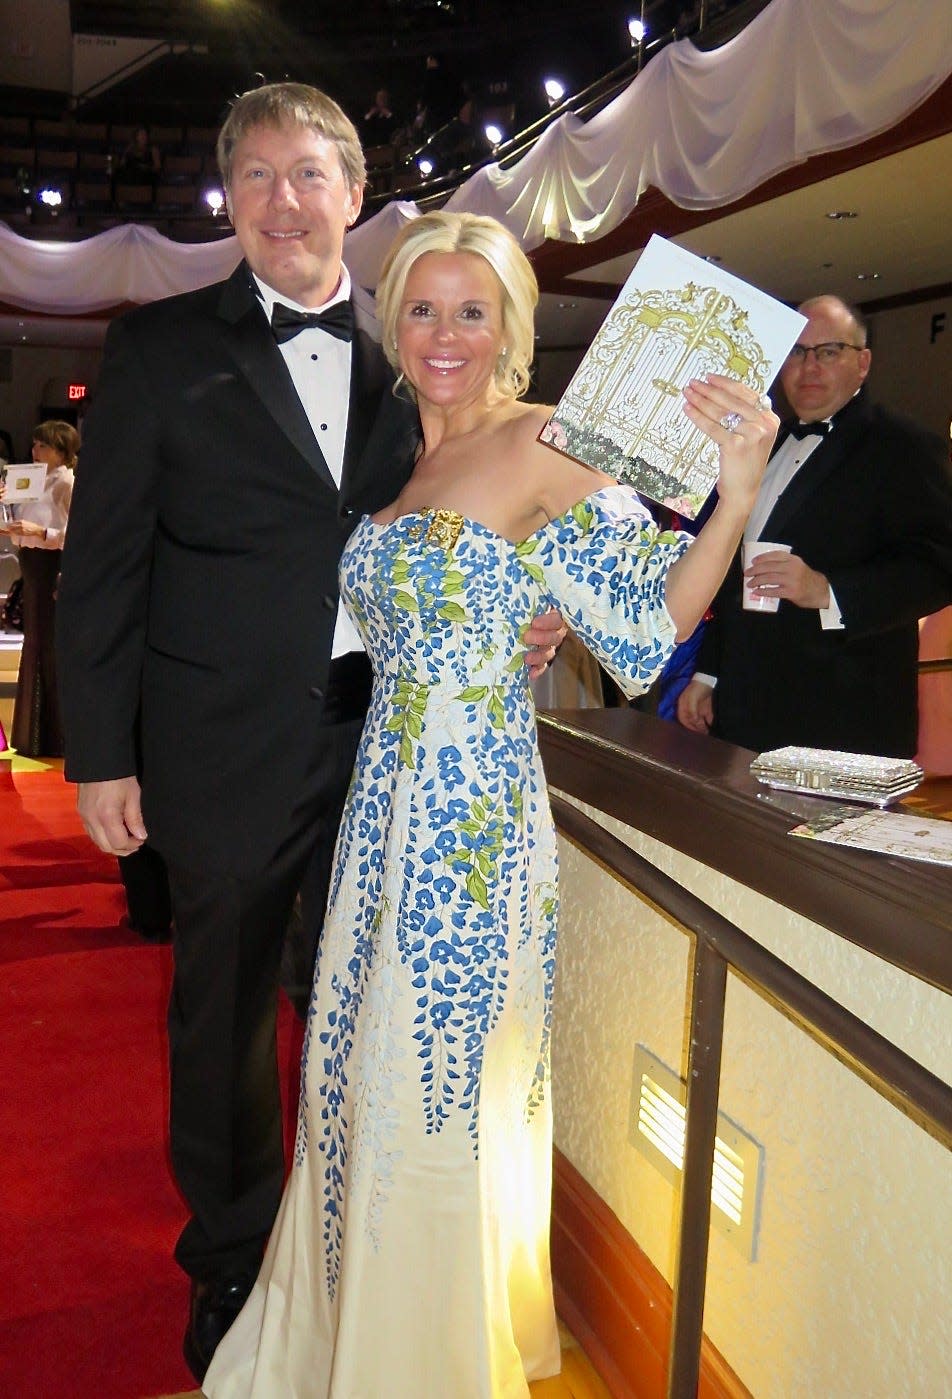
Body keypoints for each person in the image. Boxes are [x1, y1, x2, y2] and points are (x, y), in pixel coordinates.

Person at [202, 209, 778, 1398]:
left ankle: (419, 1359)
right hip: (379, 804)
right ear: (392, 323)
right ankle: (346, 1327)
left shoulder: (548, 442)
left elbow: (648, 623)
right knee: (355, 1065)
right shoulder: (398, 461)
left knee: (434, 1080)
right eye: (423, 307)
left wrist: (732, 492)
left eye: (474, 309)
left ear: (511, 327)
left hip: (470, 819)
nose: (445, 332)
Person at [55, 83, 563, 1384]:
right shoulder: (161, 348)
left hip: (393, 758)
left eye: (313, 172)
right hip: (218, 746)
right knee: (220, 1018)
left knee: (361, 1017)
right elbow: (101, 565)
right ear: (232, 199)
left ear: (356, 193)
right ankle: (232, 1254)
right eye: (260, 175)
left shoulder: (424, 348)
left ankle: (346, 1250)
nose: (288, 199)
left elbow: (499, 513)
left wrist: (538, 612)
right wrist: (102, 751)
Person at [677, 294, 952, 757]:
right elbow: (731, 572)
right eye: (797, 352)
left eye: (828, 352)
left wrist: (827, 590)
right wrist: (709, 674)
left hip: (845, 718)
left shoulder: (903, 446)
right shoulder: (759, 443)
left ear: (862, 364)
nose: (810, 367)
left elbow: (939, 567)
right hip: (746, 709)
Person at [0, 419, 77, 757]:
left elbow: (78, 535)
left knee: (51, 646)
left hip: (52, 570)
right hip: (33, 567)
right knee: (35, 645)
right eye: (34, 445)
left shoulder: (67, 484)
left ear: (60, 450)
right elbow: (20, 528)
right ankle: (33, 736)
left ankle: (57, 736)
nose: (35, 450)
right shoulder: (34, 480)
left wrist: (39, 533)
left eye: (42, 446)